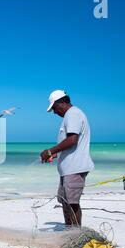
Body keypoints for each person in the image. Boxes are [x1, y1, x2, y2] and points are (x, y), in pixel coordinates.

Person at [40, 90, 95, 227]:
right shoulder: (70, 116)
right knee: (65, 201)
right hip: (68, 169)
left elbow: (72, 140)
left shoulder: (73, 114)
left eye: (54, 108)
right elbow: (69, 144)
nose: (54, 112)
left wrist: (49, 151)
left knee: (72, 203)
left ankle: (75, 235)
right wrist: (55, 154)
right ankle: (69, 231)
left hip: (75, 168)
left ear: (62, 103)